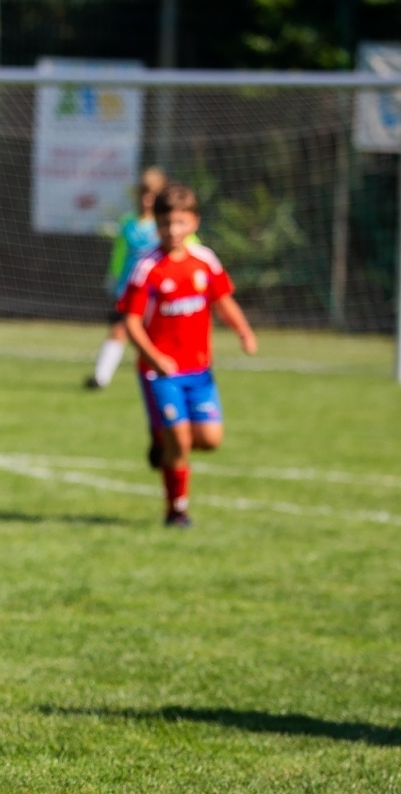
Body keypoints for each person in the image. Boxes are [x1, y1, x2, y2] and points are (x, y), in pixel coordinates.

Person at [119, 184, 258, 526]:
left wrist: (243, 330)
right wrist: (154, 358)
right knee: (180, 440)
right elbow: (132, 321)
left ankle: (163, 442)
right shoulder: (147, 266)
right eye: (166, 224)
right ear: (157, 226)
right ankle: (176, 510)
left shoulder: (205, 261)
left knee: (209, 440)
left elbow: (223, 300)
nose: (173, 231)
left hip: (199, 370)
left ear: (194, 222)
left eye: (180, 222)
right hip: (160, 372)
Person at [86, 167, 168, 390]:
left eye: (152, 194)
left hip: (159, 292)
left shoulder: (167, 225)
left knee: (157, 335)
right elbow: (120, 255)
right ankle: (100, 378)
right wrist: (114, 279)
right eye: (143, 193)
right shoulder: (128, 223)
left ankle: (160, 373)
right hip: (130, 289)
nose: (147, 199)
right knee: (119, 330)